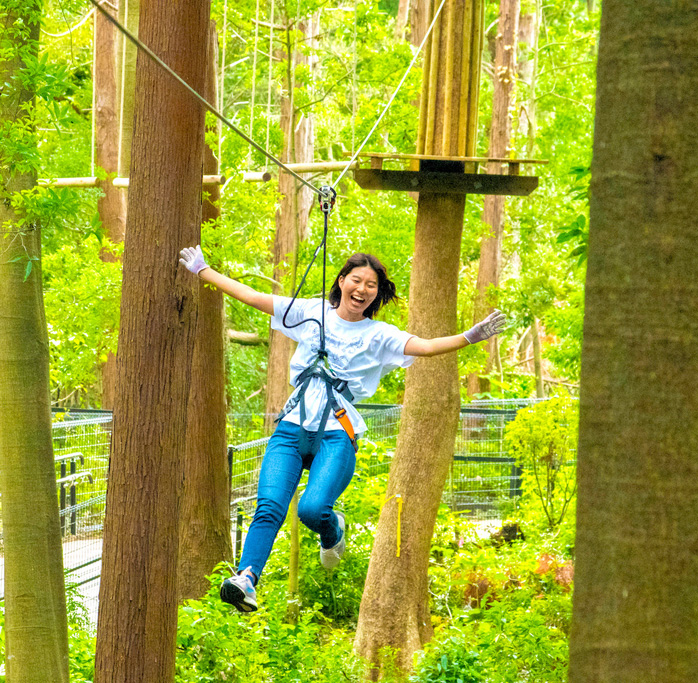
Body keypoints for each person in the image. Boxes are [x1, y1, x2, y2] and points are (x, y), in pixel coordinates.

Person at [178, 245, 506, 613]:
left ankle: (333, 530)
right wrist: (203, 270)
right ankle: (247, 579)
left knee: (312, 508)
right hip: (291, 427)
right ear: (342, 282)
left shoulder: (379, 335)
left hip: (337, 432)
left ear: (376, 295)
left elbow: (426, 346)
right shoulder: (311, 312)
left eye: (371, 285)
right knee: (268, 507)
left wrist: (469, 336)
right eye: (357, 280)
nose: (362, 289)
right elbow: (253, 297)